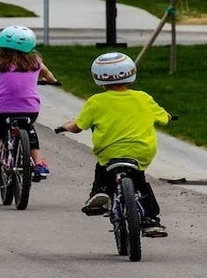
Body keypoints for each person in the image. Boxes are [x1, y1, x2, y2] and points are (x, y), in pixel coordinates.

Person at [58, 52, 172, 237]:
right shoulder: (144, 98)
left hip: (110, 151)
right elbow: (164, 118)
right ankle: (150, 220)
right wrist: (167, 116)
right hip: (140, 150)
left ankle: (100, 192)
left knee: (103, 168)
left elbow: (78, 127)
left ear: (98, 77)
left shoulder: (96, 101)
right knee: (140, 181)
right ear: (131, 73)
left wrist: (65, 126)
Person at [0, 25, 59, 178]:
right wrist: (53, 81)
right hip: (29, 108)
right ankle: (39, 163)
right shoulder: (36, 62)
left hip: (3, 107)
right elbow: (49, 76)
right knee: (30, 132)